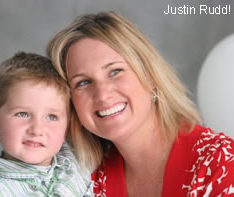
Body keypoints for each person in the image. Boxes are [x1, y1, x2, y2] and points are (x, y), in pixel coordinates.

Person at [47, 11, 234, 196]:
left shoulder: (221, 163)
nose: (102, 94)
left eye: (115, 71)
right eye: (83, 82)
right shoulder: (82, 179)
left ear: (150, 76)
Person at [0, 52, 93, 197]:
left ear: (67, 126)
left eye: (52, 117)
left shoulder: (74, 164)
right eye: (23, 114)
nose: (37, 129)